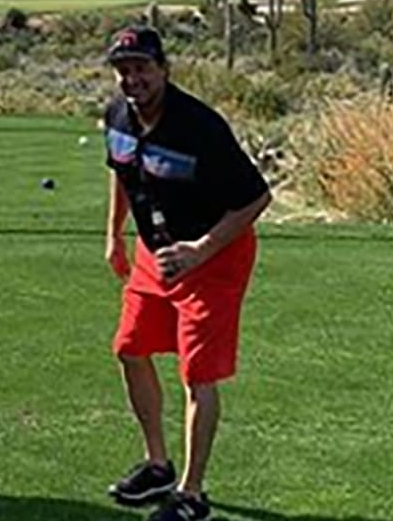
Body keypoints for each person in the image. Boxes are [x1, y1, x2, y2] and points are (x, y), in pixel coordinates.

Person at [100, 26, 272, 521]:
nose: (133, 78)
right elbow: (121, 173)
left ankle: (192, 494)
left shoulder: (200, 126)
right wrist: (114, 235)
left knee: (197, 374)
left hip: (214, 258)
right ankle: (157, 464)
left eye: (142, 67)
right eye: (124, 69)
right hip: (155, 255)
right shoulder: (117, 116)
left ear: (163, 68)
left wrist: (200, 250)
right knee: (129, 349)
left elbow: (256, 198)